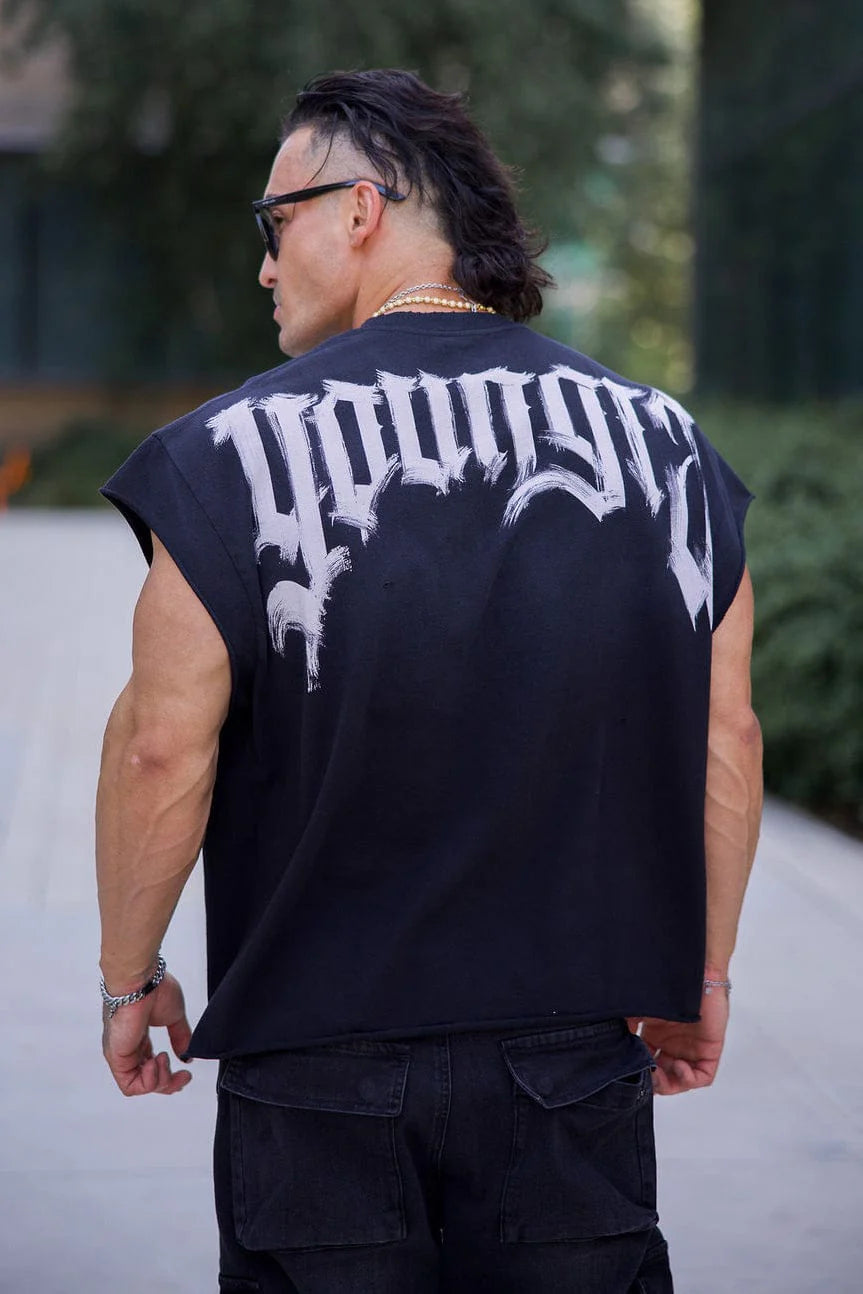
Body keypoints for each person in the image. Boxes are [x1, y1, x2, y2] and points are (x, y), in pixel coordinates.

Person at [95, 68, 762, 1294]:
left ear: (359, 208)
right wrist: (700, 973)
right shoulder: (667, 448)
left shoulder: (223, 454)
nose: (263, 267)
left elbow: (160, 747)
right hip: (571, 1061)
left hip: (314, 1067)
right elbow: (725, 736)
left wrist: (129, 977)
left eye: (274, 223)